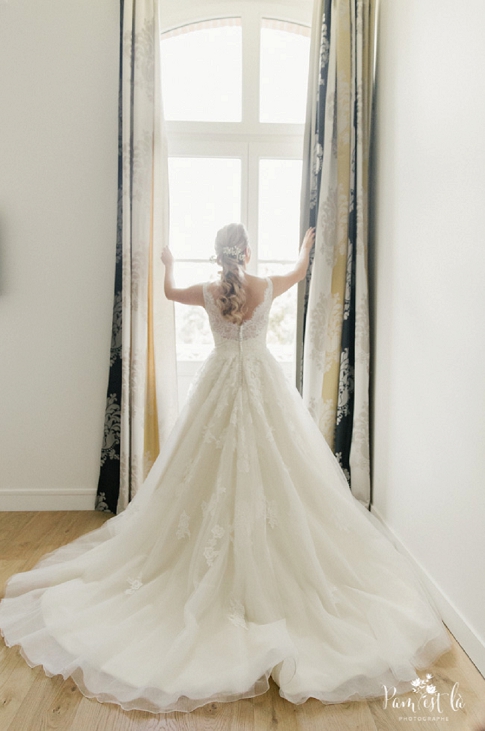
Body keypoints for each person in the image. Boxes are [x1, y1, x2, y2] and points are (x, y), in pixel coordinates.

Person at [0, 223, 452, 713]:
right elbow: (300, 272)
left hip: (217, 387)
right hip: (262, 386)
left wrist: (170, 263)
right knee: (283, 475)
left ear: (218, 257)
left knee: (198, 478)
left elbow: (171, 291)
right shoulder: (266, 286)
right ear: (248, 252)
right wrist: (304, 245)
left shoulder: (209, 291)